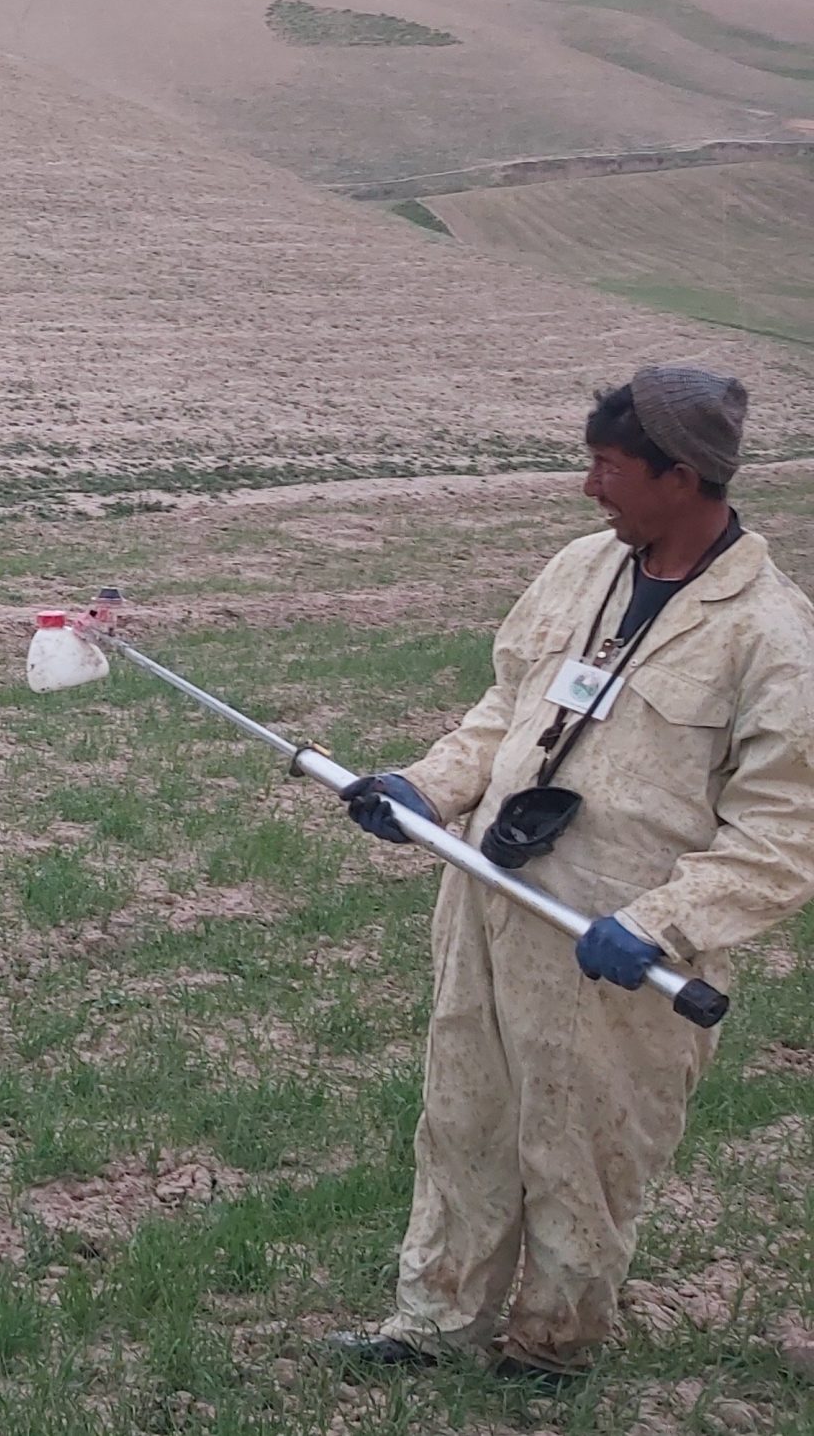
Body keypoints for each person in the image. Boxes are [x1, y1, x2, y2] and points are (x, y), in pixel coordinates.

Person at [331, 366, 814, 1384]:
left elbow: (783, 832)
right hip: (491, 905)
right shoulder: (576, 571)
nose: (588, 487)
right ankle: (433, 1324)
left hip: (618, 948)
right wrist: (428, 789)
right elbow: (503, 712)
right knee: (464, 1116)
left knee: (585, 1147)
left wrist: (664, 923)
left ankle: (550, 1351)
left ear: (678, 478)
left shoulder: (767, 634)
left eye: (606, 466)